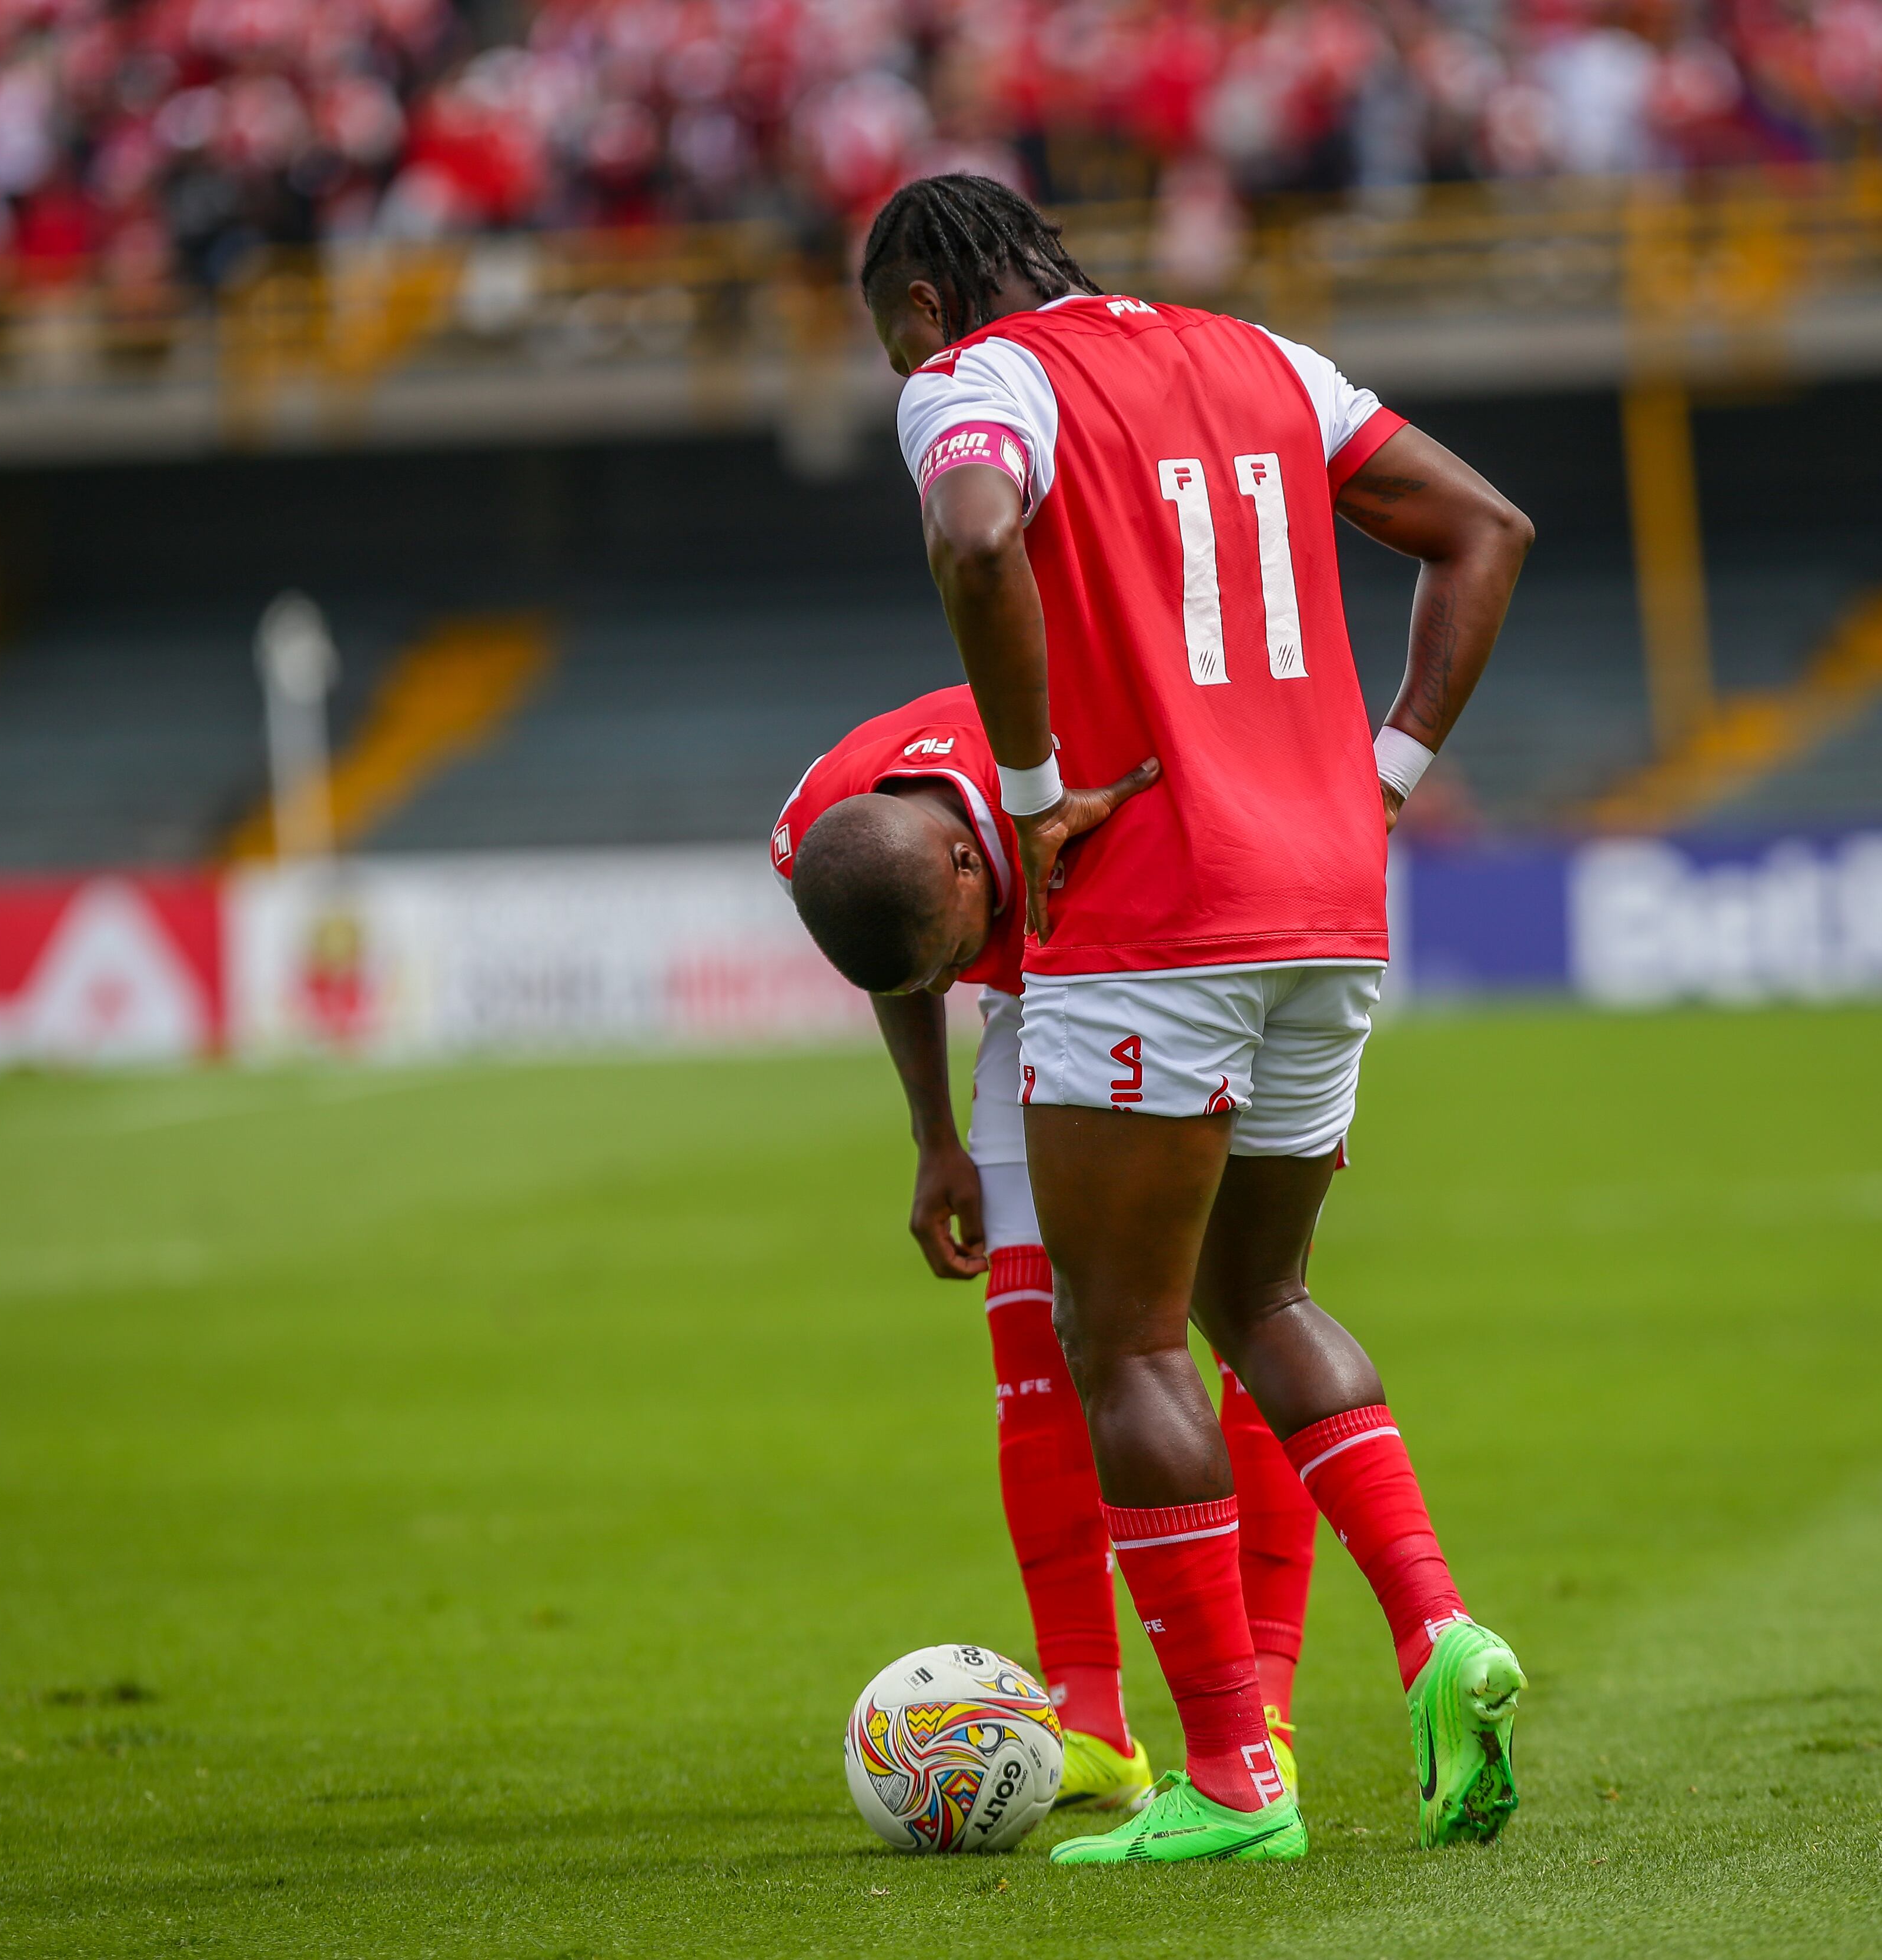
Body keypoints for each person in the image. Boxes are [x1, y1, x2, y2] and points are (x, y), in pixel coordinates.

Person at [857, 173, 1535, 1865]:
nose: (896, 365)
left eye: (888, 337)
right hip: (1329, 901)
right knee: (1266, 1293)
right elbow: (1487, 527)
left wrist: (1028, 792)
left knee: (1129, 1335)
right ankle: (1441, 1635)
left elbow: (974, 533)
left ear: (928, 308)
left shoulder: (975, 384)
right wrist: (1381, 776)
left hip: (1156, 909)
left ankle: (1235, 1777)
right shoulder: (1268, 359)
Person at [772, 685, 1325, 1815]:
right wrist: (935, 1135)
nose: (935, 989)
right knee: (1036, 1343)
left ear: (974, 871)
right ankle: (1092, 1719)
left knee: (1224, 1320)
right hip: (1044, 999)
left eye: (945, 962)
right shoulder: (832, 824)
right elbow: (901, 957)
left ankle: (1259, 1704)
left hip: (1182, 969)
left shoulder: (1093, 747)